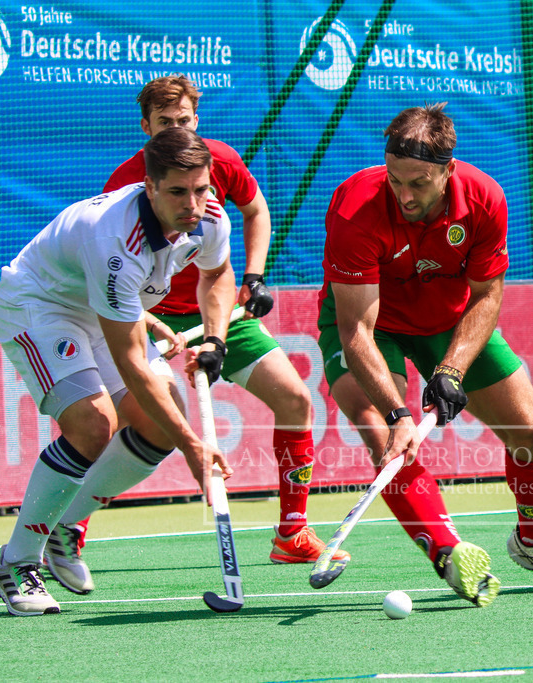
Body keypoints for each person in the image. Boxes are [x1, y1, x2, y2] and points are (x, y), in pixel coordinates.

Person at [43, 75, 346, 597]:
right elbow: (114, 282)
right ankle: (69, 528)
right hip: (149, 315)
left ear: (196, 120)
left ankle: (292, 533)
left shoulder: (219, 161)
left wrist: (253, 277)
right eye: (165, 123)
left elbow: (255, 211)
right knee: (121, 414)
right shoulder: (128, 182)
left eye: (183, 120)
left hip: (219, 311)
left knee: (295, 398)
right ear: (146, 127)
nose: (176, 130)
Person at [317, 103, 533, 607]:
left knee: (531, 433)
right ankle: (449, 554)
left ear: (448, 171)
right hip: (372, 323)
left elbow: (487, 295)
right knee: (382, 431)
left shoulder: (484, 198)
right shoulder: (355, 207)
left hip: (448, 321)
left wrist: (450, 370)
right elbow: (356, 329)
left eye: (418, 183)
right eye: (395, 179)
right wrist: (399, 414)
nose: (404, 195)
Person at [0, 127, 236, 616]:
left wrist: (214, 337)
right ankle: (15, 563)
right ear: (150, 187)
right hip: (41, 305)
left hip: (104, 307)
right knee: (93, 422)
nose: (192, 204)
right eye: (178, 192)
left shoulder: (208, 218)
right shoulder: (116, 240)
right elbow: (130, 363)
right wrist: (193, 447)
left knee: (156, 422)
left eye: (201, 189)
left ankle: (64, 524)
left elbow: (216, 274)